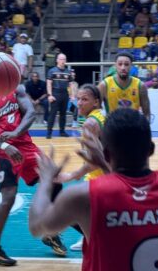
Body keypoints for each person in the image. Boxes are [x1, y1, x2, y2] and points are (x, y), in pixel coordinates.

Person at [28, 108, 158, 271]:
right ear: (151, 149)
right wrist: (103, 164)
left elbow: (37, 227)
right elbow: (134, 199)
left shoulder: (84, 196)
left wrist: (46, 181)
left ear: (108, 154)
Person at [0, 84, 67, 266]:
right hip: (2, 151)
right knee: (8, 198)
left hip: (25, 145)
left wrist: (15, 133)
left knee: (55, 183)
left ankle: (51, 233)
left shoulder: (15, 88)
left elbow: (30, 112)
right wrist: (5, 145)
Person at [56, 84, 106, 251]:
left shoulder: (90, 123)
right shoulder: (100, 115)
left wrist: (72, 175)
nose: (79, 103)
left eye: (85, 99)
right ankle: (90, 238)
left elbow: (94, 161)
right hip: (111, 171)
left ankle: (92, 241)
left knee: (69, 206)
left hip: (102, 176)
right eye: (78, 99)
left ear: (96, 102)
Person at [98, 52, 151, 121]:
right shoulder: (104, 85)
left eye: (126, 64)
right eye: (120, 64)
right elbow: (96, 110)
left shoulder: (140, 86)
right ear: (115, 66)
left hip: (134, 126)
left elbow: (146, 114)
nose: (123, 67)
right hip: (112, 128)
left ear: (131, 66)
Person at [46, 53, 72, 139]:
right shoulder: (52, 70)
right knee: (52, 114)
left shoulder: (68, 72)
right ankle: (49, 132)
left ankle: (62, 131)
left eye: (64, 59)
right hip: (55, 93)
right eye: (61, 59)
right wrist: (50, 95)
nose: (62, 61)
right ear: (57, 60)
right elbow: (49, 83)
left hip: (65, 94)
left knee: (63, 114)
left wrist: (71, 95)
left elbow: (70, 84)